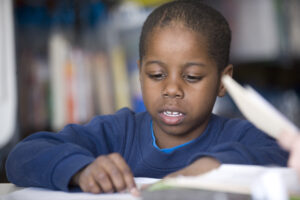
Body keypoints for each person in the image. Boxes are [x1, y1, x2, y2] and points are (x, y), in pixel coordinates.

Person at [6, 0, 288, 195]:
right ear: (140, 73)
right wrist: (81, 169)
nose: (172, 89)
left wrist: (216, 167)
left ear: (223, 81)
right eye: (156, 75)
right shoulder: (117, 133)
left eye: (191, 77)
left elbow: (285, 156)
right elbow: (22, 156)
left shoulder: (241, 136)